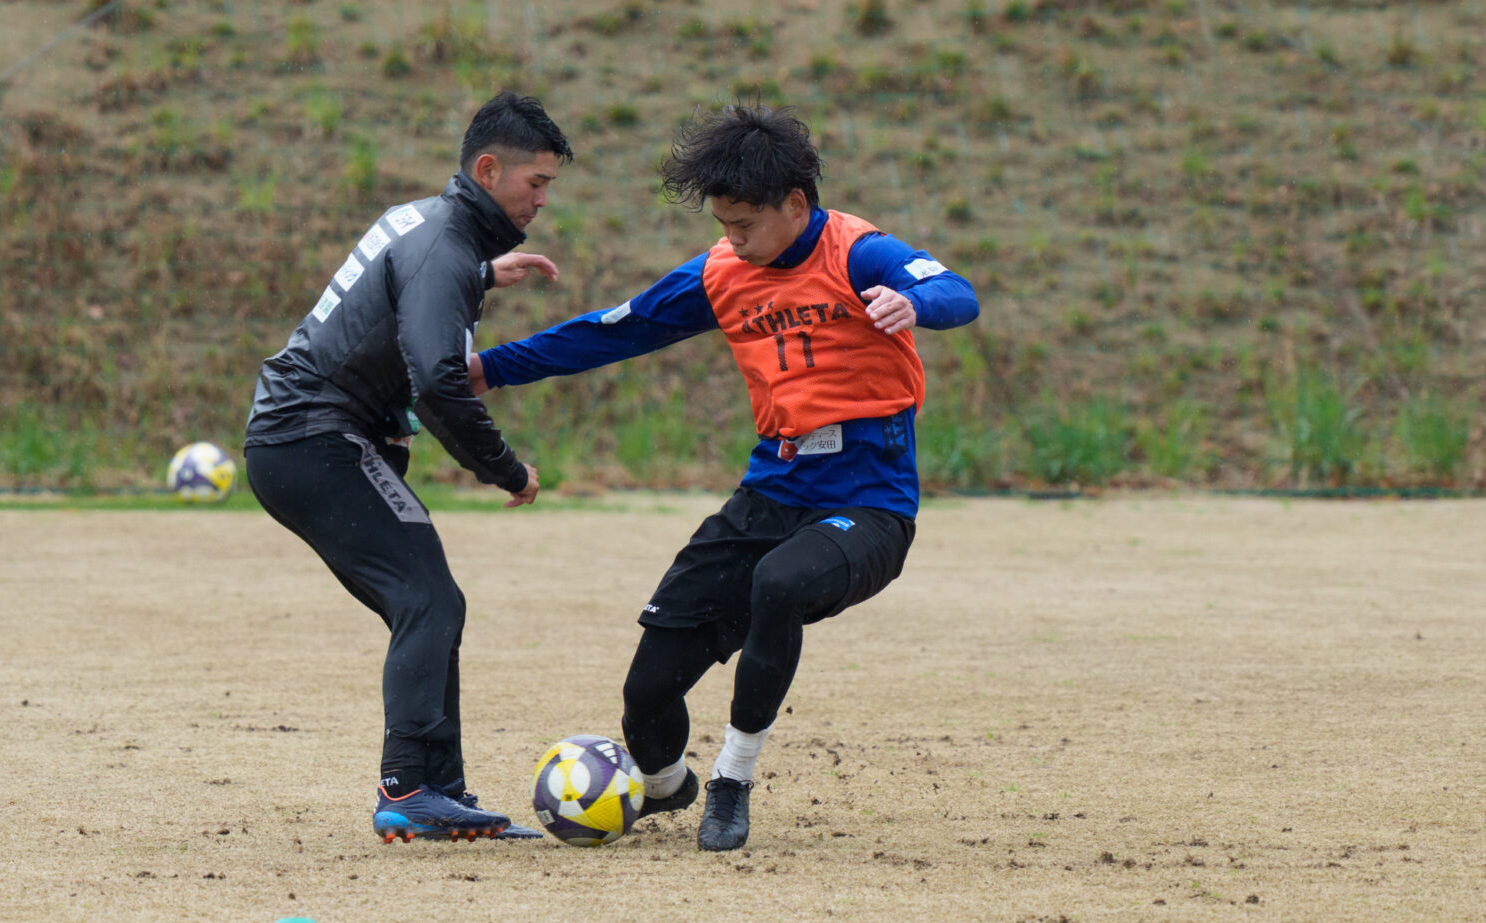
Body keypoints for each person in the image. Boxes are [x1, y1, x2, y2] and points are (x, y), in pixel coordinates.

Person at [470, 104, 980, 851]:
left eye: (742, 224)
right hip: (768, 495)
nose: (730, 239)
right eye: (723, 224)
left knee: (779, 583)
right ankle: (670, 787)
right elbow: (613, 331)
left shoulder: (857, 253)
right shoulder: (721, 272)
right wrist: (489, 370)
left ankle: (733, 780)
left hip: (869, 504)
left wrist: (914, 302)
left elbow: (957, 292)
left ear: (795, 205)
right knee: (646, 693)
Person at [243, 91, 572, 844]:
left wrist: (485, 277)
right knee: (429, 599)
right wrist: (506, 469)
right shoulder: (446, 249)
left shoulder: (429, 224)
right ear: (489, 170)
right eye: (536, 183)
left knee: (427, 602)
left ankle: (439, 790)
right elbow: (437, 380)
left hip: (305, 437)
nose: (544, 200)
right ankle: (410, 789)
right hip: (313, 439)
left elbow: (406, 281)